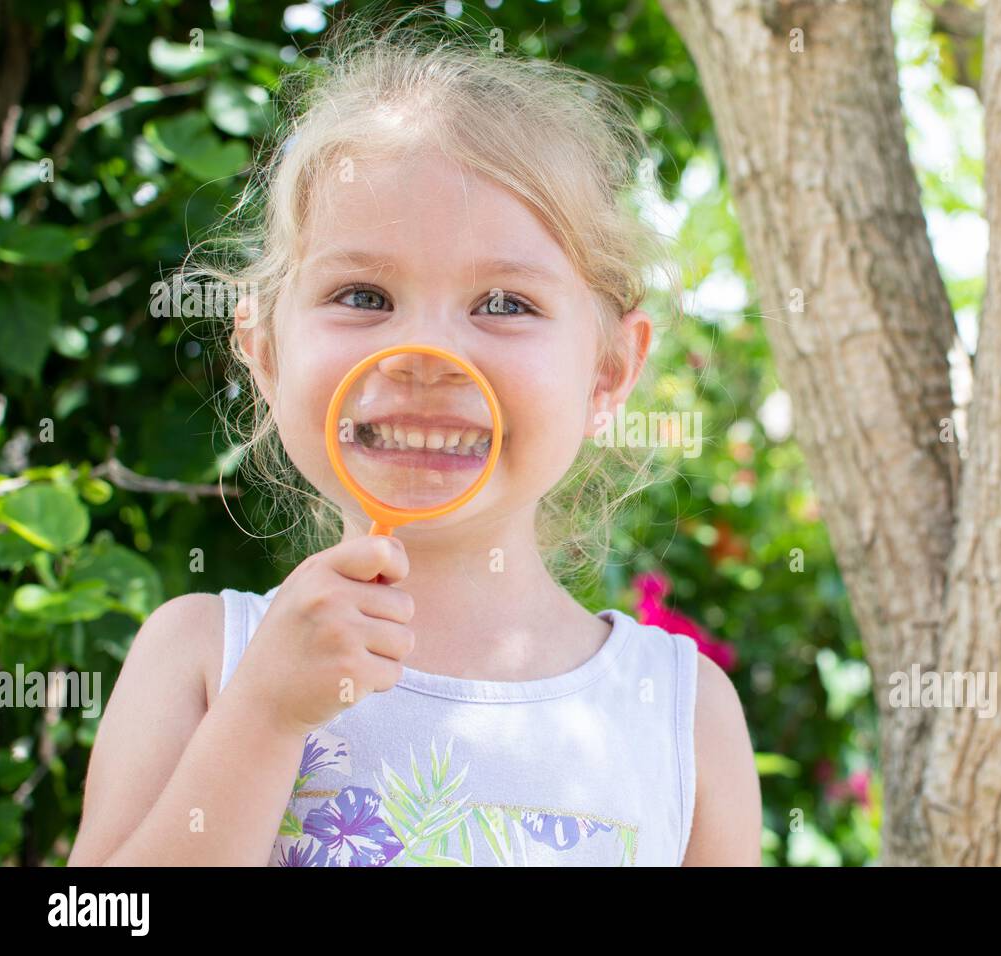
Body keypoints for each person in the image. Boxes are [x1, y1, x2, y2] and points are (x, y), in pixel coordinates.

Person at [68, 20, 761, 867]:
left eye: (504, 304)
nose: (431, 359)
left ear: (608, 373)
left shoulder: (682, 714)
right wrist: (262, 717)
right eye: (362, 294)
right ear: (267, 353)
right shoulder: (201, 659)